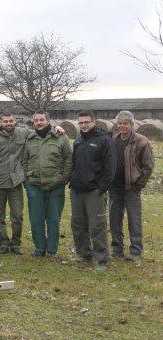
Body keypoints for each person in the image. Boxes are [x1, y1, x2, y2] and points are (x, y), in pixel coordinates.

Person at [22, 110, 72, 258]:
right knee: (36, 220)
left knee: (53, 220)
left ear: (48, 121)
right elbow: (25, 160)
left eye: (42, 120)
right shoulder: (29, 139)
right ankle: (39, 248)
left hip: (55, 186)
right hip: (34, 185)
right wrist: (27, 179)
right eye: (36, 120)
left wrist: (63, 179)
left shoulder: (61, 137)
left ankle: (51, 251)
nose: (39, 122)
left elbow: (68, 159)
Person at [71, 110, 115, 271]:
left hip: (94, 192)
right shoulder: (78, 140)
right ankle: (84, 253)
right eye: (80, 122)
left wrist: (101, 188)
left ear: (93, 122)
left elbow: (110, 168)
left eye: (86, 122)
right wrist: (72, 181)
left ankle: (102, 258)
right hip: (77, 191)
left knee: (97, 225)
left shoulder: (104, 140)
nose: (83, 125)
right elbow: (74, 163)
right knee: (78, 224)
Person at [109, 110, 154, 263]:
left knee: (134, 220)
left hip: (131, 188)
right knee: (114, 219)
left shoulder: (141, 141)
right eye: (120, 123)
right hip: (115, 187)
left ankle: (135, 251)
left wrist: (138, 185)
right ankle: (117, 249)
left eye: (125, 123)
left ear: (132, 124)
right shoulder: (114, 139)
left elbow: (148, 166)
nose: (122, 126)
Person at [0, 113, 29, 254]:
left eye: (11, 121)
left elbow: (40, 130)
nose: (8, 123)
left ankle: (15, 243)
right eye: (5, 121)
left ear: (15, 121)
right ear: (1, 122)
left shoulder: (23, 133)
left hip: (15, 182)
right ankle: (3, 241)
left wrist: (56, 128)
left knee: (17, 215)